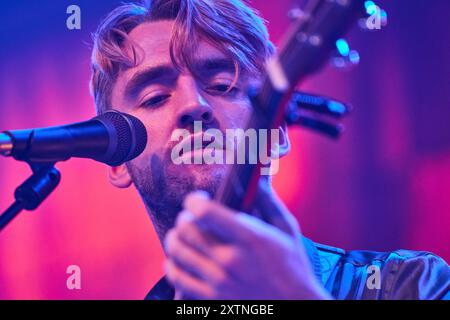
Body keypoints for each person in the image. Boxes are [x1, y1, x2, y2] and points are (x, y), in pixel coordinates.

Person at [89, 0, 450, 300]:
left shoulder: (409, 284)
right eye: (154, 98)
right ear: (117, 160)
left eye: (222, 85)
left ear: (276, 134)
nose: (194, 105)